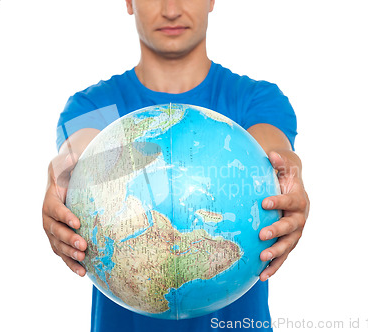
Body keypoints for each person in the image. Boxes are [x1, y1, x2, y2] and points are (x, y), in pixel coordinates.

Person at [42, 0, 310, 331]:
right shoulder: (95, 105)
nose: (171, 9)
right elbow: (79, 149)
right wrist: (63, 172)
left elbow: (274, 150)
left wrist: (290, 172)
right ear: (129, 2)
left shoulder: (255, 98)